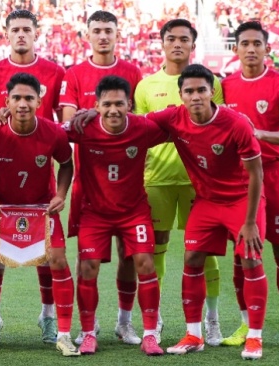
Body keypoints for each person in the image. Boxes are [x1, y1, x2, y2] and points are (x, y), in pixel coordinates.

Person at [146, 65, 267, 361]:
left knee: (250, 260)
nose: (196, 96)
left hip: (241, 201)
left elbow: (256, 175)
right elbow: (134, 123)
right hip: (207, 201)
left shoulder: (235, 123)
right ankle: (194, 334)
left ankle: (254, 337)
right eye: (189, 91)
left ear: (212, 91)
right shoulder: (173, 117)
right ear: (181, 95)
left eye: (202, 90)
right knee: (192, 258)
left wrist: (250, 222)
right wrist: (94, 117)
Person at [0, 72, 79, 358]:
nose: (23, 103)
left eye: (29, 98)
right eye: (16, 98)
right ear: (7, 101)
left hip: (41, 207)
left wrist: (60, 194)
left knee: (56, 258)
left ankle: (57, 326)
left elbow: (67, 164)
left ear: (39, 101)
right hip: (2, 207)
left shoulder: (53, 132)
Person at [0, 9, 66, 345]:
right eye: (16, 30)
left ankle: (48, 318)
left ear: (36, 32)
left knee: (48, 256)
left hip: (41, 179)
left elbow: (60, 122)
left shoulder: (54, 71)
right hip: (4, 183)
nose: (22, 35)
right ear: (6, 33)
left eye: (27, 29)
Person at [133, 19, 225, 346]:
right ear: (162, 43)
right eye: (171, 39)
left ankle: (211, 321)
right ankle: (153, 320)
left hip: (198, 183)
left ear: (192, 44)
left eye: (183, 39)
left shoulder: (211, 83)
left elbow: (219, 127)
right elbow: (140, 131)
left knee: (204, 251)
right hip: (156, 180)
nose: (177, 44)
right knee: (154, 250)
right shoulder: (146, 86)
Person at [58, 10, 143, 346]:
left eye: (109, 30)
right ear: (87, 35)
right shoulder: (75, 73)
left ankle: (125, 323)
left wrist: (102, 113)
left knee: (129, 255)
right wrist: (92, 113)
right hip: (89, 184)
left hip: (128, 181)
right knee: (87, 259)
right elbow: (69, 124)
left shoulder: (133, 72)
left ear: (117, 34)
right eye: (97, 31)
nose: (103, 36)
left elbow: (137, 119)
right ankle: (87, 327)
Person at [63, 75, 165, 356]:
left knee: (144, 262)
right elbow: (46, 132)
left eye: (119, 103)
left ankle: (148, 333)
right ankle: (87, 333)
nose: (113, 110)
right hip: (95, 212)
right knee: (88, 267)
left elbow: (177, 126)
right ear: (96, 105)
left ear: (129, 104)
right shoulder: (83, 127)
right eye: (106, 104)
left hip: (134, 211)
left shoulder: (143, 127)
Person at [221, 20, 279, 350]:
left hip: (275, 174)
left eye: (257, 43)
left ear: (267, 48)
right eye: (245, 43)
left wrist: (256, 132)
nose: (251, 49)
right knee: (243, 254)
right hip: (241, 178)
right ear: (236, 48)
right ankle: (245, 325)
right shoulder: (224, 86)